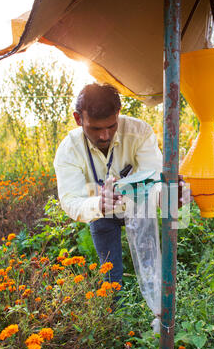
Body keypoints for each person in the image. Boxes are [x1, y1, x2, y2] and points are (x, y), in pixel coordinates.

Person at [53, 83, 164, 287]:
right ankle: (117, 313)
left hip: (138, 206)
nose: (104, 136)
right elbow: (70, 201)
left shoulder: (140, 132)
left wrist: (165, 197)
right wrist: (99, 204)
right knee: (111, 275)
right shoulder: (68, 150)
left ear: (118, 113)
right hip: (100, 212)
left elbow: (155, 180)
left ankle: (157, 314)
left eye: (111, 126)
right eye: (95, 128)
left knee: (151, 267)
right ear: (78, 119)